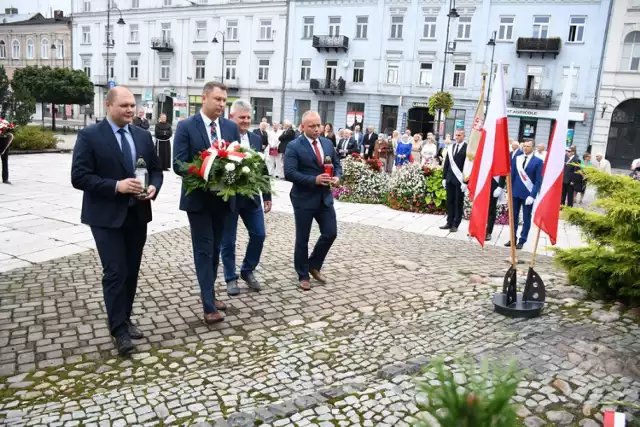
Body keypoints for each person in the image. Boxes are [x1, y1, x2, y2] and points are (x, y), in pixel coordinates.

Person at [70, 86, 164, 356]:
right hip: (106, 217)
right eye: (124, 106)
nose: (130, 110)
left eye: (132, 105)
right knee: (115, 272)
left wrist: (154, 188)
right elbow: (79, 177)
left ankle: (124, 317)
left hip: (138, 214)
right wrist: (115, 186)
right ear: (108, 106)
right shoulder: (90, 136)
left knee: (132, 270)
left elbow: (156, 171)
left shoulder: (143, 136)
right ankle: (119, 330)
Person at [173, 81, 241, 325]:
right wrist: (204, 170)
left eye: (224, 100)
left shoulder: (231, 128)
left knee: (214, 252)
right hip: (199, 201)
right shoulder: (185, 126)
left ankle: (210, 293)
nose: (222, 104)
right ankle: (208, 306)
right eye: (218, 99)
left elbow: (238, 159)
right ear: (204, 99)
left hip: (223, 201)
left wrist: (235, 175)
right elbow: (178, 164)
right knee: (203, 250)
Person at [284, 111, 341, 291]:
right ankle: (303, 274)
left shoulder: (327, 143)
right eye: (312, 126)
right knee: (303, 238)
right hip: (303, 198)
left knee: (330, 233)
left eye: (318, 125)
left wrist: (338, 177)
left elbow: (337, 165)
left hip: (324, 198)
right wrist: (313, 180)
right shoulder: (294, 146)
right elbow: (290, 173)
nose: (317, 129)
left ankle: (313, 264)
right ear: (303, 127)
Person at [221, 100, 272, 296]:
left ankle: (247, 270)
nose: (246, 121)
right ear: (231, 117)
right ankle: (229, 278)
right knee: (228, 241)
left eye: (248, 118)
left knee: (259, 234)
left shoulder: (256, 139)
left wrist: (266, 194)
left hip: (251, 197)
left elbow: (262, 168)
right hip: (230, 198)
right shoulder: (223, 138)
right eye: (242, 117)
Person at [505, 140, 542, 249]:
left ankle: (522, 239)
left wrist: (533, 195)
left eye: (528, 146)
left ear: (533, 148)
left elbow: (538, 180)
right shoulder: (517, 159)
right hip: (515, 192)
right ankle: (513, 238)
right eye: (524, 146)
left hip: (528, 194)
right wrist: (509, 190)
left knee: (526, 218)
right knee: (513, 217)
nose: (525, 148)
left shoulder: (538, 161)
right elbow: (512, 175)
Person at [439, 128, 467, 233]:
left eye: (459, 135)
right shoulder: (451, 147)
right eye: (456, 135)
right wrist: (444, 177)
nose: (457, 137)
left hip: (460, 180)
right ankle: (449, 222)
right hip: (450, 178)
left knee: (458, 202)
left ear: (463, 136)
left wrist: (466, 182)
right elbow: (446, 163)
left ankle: (456, 223)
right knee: (449, 201)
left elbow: (468, 166)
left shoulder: (467, 148)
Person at [486, 176, 506, 241]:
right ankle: (479, 228)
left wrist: (500, 186)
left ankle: (488, 232)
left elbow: (503, 171)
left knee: (491, 209)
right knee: (481, 208)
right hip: (484, 182)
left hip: (494, 184)